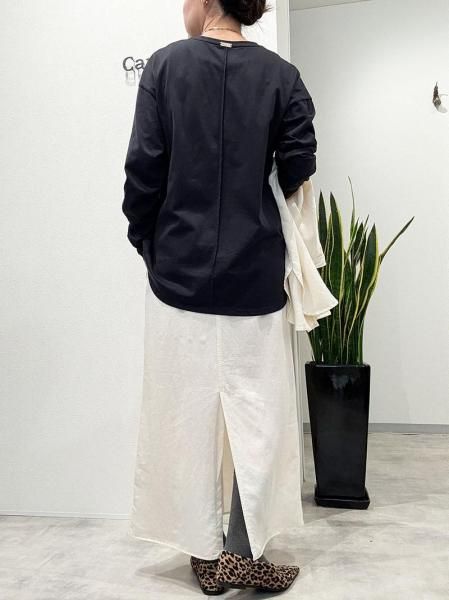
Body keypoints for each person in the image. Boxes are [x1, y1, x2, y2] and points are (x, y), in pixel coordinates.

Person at [122, 0, 317, 595]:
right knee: (260, 422)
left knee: (183, 418)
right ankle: (241, 553)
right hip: (255, 274)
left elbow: (142, 173)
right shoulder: (283, 77)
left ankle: (205, 556)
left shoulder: (164, 67)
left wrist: (151, 244)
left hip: (177, 277)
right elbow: (298, 169)